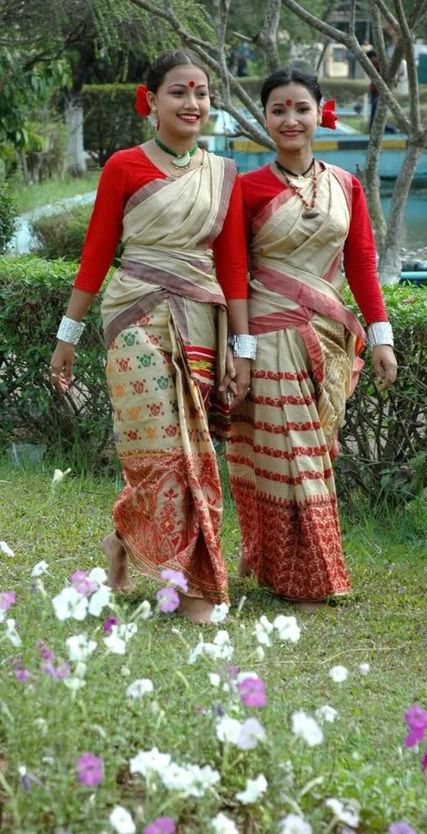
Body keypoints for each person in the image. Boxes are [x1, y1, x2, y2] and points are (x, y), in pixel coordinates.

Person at [50, 49, 254, 624]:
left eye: (202, 93)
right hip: (133, 314)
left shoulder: (222, 174)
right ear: (152, 101)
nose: (193, 103)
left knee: (197, 452)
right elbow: (95, 256)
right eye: (179, 92)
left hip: (201, 318)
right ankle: (187, 582)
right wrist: (68, 335)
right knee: (158, 452)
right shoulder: (123, 166)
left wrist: (243, 348)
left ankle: (137, 546)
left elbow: (234, 266)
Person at [227, 67, 397, 609]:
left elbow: (362, 264)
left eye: (300, 107)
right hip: (268, 333)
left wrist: (381, 336)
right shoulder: (245, 187)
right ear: (266, 119)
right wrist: (242, 351)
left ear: (319, 113)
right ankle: (312, 576)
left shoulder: (346, 184)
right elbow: (231, 271)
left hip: (327, 338)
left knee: (315, 449)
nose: (290, 119)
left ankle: (271, 563)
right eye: (278, 109)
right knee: (289, 453)